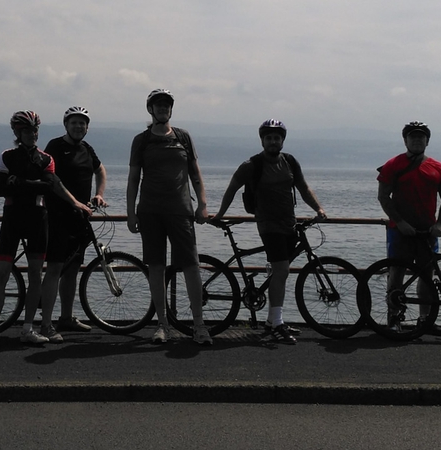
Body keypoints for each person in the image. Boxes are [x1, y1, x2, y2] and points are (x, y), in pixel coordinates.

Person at [0, 110, 91, 347]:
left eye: (35, 130)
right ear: (17, 133)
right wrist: (34, 185)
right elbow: (0, 189)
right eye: (27, 131)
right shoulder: (7, 156)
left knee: (35, 275)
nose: (33, 134)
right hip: (13, 218)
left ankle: (28, 328)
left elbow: (52, 186)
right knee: (2, 273)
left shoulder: (45, 159)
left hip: (38, 219)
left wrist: (19, 183)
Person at [213, 119, 327, 344]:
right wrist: (219, 215)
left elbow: (303, 187)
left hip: (288, 223)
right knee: (282, 270)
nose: (273, 141)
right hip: (268, 224)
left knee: (279, 272)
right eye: (269, 138)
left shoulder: (290, 161)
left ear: (282, 140)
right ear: (262, 140)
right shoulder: (252, 165)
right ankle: (276, 323)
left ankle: (272, 319)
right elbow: (232, 188)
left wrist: (318, 208)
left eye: (277, 138)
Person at [126, 89, 212, 345]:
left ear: (171, 109)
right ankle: (162, 325)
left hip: (180, 211)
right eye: (158, 105)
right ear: (150, 109)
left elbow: (195, 173)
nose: (162, 108)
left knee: (191, 266)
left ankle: (199, 325)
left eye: (166, 105)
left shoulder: (183, 137)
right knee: (156, 267)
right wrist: (131, 213)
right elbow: (133, 179)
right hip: (151, 211)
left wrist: (203, 204)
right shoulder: (141, 140)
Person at [38, 106, 107, 343]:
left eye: (83, 123)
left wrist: (99, 194)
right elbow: (51, 178)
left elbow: (100, 170)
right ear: (66, 125)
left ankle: (66, 317)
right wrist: (74, 201)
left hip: (80, 219)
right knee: (55, 269)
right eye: (74, 122)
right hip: (57, 216)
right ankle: (46, 325)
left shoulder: (87, 149)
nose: (79, 127)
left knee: (72, 271)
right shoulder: (55, 146)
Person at [376, 121, 441, 332]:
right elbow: (383, 197)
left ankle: (425, 320)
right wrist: (400, 222)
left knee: (427, 277)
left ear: (427, 141)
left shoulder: (436, 167)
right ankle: (394, 319)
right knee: (396, 273)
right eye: (413, 137)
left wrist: (439, 224)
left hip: (427, 231)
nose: (417, 140)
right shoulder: (393, 164)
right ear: (405, 140)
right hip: (400, 230)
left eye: (421, 137)